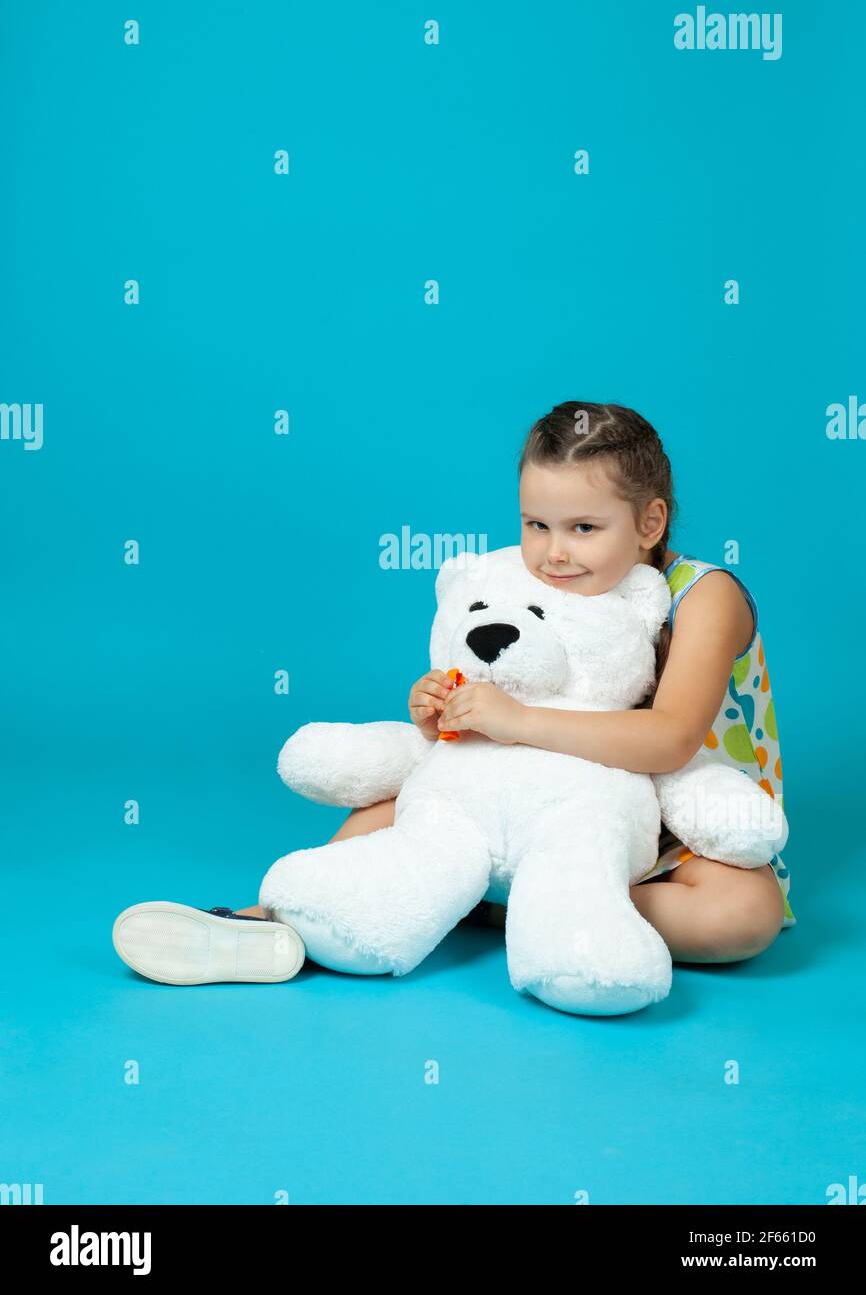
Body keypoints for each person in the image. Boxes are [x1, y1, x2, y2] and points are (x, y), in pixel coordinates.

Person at [112, 400, 794, 985]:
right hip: (513, 807)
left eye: (584, 528)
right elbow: (490, 695)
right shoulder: (524, 582)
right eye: (536, 525)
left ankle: (524, 904)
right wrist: (444, 711)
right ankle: (279, 920)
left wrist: (516, 720)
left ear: (649, 524)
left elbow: (672, 738)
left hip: (676, 831)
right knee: (398, 798)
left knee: (744, 915)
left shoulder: (704, 597)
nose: (555, 553)